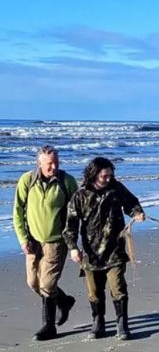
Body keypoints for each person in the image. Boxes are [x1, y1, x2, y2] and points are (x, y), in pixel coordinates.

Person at [63, 157, 145, 340]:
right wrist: (73, 248)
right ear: (94, 174)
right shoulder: (80, 195)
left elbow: (131, 202)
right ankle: (98, 322)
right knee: (94, 291)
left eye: (111, 174)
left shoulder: (116, 188)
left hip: (115, 249)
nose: (109, 178)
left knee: (118, 287)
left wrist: (137, 212)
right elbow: (70, 224)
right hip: (91, 253)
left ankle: (122, 325)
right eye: (105, 176)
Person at [13, 145, 78, 341]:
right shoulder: (27, 180)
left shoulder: (67, 181)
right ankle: (64, 301)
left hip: (56, 241)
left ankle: (49, 327)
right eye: (49, 163)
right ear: (39, 163)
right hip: (33, 242)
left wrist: (73, 241)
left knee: (47, 284)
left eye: (56, 162)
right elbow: (18, 211)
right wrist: (23, 239)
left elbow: (76, 212)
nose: (53, 167)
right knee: (33, 283)